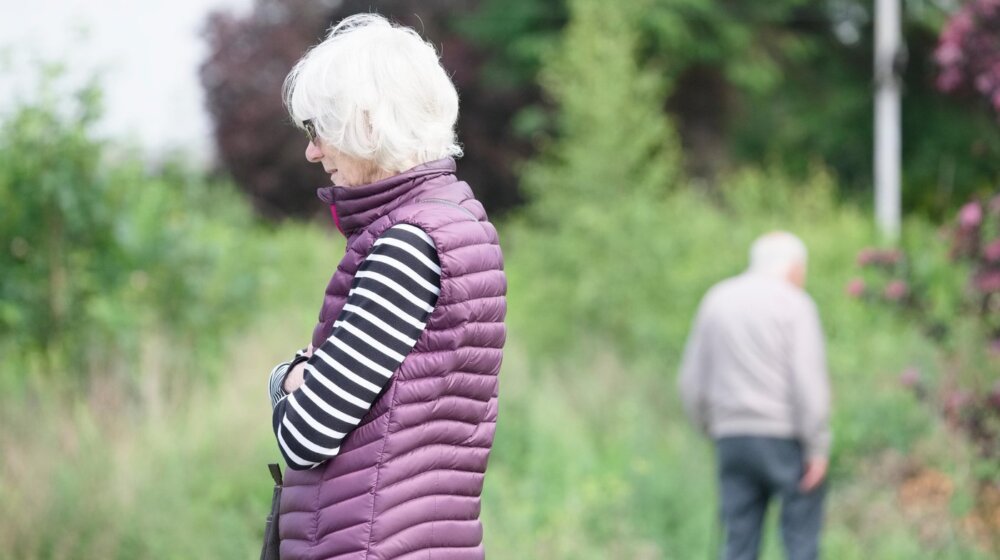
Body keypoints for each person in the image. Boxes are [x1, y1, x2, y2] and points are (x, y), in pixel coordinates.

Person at [264, 14, 507, 560]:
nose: (312, 151)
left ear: (366, 124)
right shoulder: (458, 221)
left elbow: (306, 433)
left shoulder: (406, 246)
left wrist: (287, 377)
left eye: (318, 129)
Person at [678, 231, 831, 560]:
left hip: (731, 437)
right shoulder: (795, 304)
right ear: (793, 267)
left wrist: (711, 426)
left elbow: (691, 380)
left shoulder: (716, 299)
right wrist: (817, 446)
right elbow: (808, 383)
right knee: (801, 542)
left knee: (738, 543)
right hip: (783, 438)